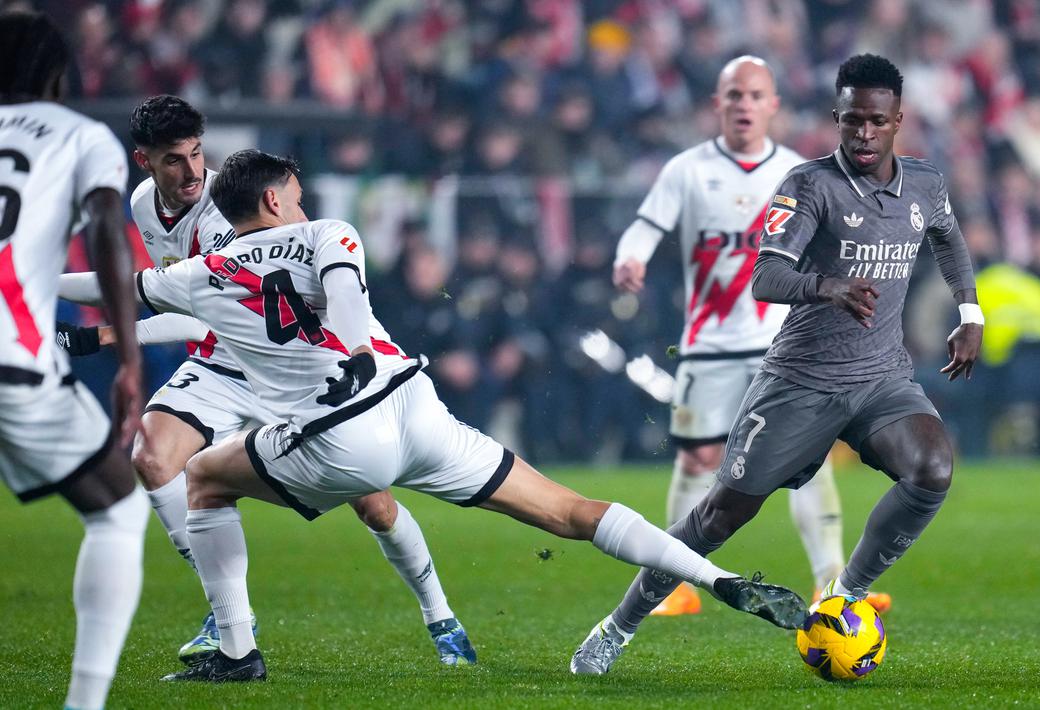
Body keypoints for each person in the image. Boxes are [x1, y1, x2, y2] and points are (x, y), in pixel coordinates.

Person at [71, 149, 806, 682]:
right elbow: (343, 289)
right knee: (570, 511)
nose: (300, 201)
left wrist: (33, 274)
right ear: (271, 201)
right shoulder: (328, 232)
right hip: (415, 409)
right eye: (293, 193)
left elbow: (104, 285)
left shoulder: (196, 275)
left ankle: (236, 652)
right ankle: (715, 579)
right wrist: (360, 348)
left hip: (339, 441)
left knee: (201, 478)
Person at [571, 53, 982, 675]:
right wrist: (828, 287)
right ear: (836, 119)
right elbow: (766, 276)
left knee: (932, 470)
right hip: (800, 381)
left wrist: (970, 313)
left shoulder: (925, 183)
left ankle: (845, 595)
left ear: (899, 119)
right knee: (716, 517)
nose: (863, 135)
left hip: (880, 378)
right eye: (851, 123)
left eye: (875, 121)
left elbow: (948, 238)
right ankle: (617, 626)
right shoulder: (808, 185)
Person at [56, 95, 476, 666]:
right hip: (219, 363)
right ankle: (230, 618)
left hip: (285, 364)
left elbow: (210, 304)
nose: (191, 172)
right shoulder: (142, 207)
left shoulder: (226, 212)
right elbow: (175, 293)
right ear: (144, 161)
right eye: (174, 160)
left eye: (197, 154)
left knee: (374, 504)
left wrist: (108, 335)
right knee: (152, 456)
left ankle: (440, 615)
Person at [612, 55, 889, 615]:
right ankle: (676, 585)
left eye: (755, 95)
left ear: (773, 107)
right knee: (695, 462)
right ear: (717, 104)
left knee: (805, 462)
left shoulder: (798, 173)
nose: (744, 105)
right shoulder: (687, 170)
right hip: (709, 344)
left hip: (784, 347)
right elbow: (644, 228)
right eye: (734, 95)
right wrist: (630, 259)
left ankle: (831, 585)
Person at [0, 12, 148, 710]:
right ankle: (83, 705)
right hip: (15, 367)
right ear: (58, 76)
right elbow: (105, 230)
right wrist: (128, 356)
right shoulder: (80, 134)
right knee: (118, 508)